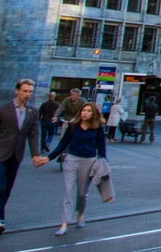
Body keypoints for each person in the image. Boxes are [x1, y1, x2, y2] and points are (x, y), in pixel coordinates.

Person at [0, 78, 48, 236]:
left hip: (16, 155)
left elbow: (33, 134)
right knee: (0, 187)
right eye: (24, 91)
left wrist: (35, 154)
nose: (27, 94)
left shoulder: (32, 111)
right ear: (17, 91)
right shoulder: (2, 110)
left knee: (7, 189)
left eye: (30, 92)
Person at [46, 101, 107, 236]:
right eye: (83, 110)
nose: (85, 113)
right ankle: (64, 223)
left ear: (94, 114)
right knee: (68, 191)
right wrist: (49, 158)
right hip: (72, 159)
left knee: (82, 193)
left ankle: (80, 214)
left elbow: (101, 147)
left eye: (88, 111)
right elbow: (63, 144)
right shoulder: (73, 126)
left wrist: (103, 161)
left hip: (89, 161)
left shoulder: (98, 128)